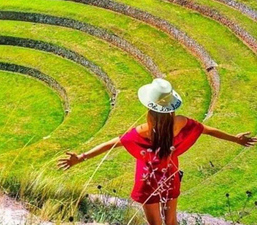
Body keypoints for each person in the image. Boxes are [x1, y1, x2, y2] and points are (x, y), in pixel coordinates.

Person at [58, 78, 256, 225]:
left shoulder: (142, 132)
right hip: (170, 177)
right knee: (171, 222)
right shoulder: (180, 123)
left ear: (149, 110)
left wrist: (81, 157)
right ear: (171, 108)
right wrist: (235, 139)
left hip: (148, 181)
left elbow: (112, 144)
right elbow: (206, 129)